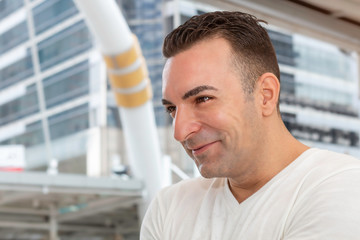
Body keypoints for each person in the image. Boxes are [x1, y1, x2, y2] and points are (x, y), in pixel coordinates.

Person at [140, 11, 360, 239]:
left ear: (265, 95)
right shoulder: (168, 207)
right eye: (172, 109)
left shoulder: (342, 187)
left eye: (203, 99)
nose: (180, 131)